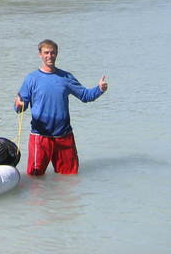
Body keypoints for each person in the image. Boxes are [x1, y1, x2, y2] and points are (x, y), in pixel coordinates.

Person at [14, 39, 107, 175]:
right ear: (40, 54)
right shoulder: (31, 79)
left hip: (64, 135)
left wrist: (99, 89)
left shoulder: (66, 77)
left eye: (52, 53)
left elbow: (86, 96)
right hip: (40, 136)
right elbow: (21, 105)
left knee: (70, 179)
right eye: (46, 53)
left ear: (57, 54)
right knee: (35, 180)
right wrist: (18, 106)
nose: (49, 56)